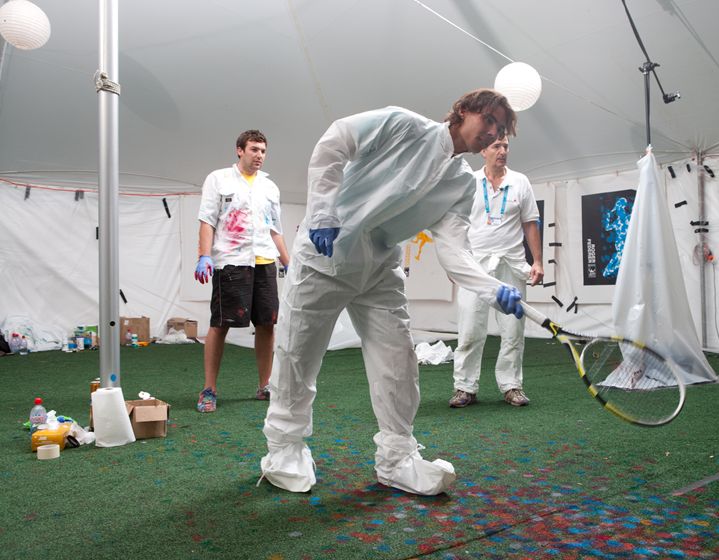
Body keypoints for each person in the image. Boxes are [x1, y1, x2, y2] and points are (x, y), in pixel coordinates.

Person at [259, 89, 523, 496]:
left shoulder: (461, 185)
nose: (492, 133)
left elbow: (454, 251)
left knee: (398, 361)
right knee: (298, 356)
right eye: (488, 120)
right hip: (324, 256)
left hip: (380, 268)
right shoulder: (403, 124)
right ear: (463, 110)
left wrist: (492, 288)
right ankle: (284, 449)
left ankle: (397, 460)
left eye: (500, 129)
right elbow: (335, 142)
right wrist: (324, 211)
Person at [194, 129, 291, 413]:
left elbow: (275, 230)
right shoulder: (218, 179)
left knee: (267, 324)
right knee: (220, 324)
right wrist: (204, 256)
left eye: (263, 151)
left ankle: (265, 386)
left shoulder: (270, 187)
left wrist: (288, 263)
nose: (259, 155)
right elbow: (207, 221)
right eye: (254, 149)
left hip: (264, 261)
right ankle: (209, 389)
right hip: (231, 262)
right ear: (240, 150)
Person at [450, 135, 543, 408]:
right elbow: (456, 224)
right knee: (469, 329)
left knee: (513, 330)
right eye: (496, 146)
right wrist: (454, 262)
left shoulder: (520, 181)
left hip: (511, 264)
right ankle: (465, 387)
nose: (502, 151)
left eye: (506, 146)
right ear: (483, 150)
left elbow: (530, 223)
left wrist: (537, 261)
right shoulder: (469, 181)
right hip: (474, 266)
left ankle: (511, 385)